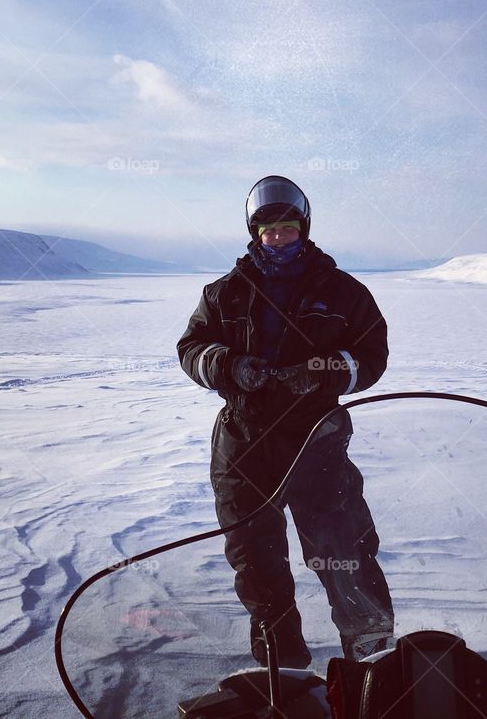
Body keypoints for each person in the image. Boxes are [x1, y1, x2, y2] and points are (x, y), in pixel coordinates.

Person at [176, 175, 394, 668]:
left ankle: (374, 661)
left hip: (316, 437)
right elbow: (190, 349)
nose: (277, 238)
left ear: (304, 229)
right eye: (268, 230)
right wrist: (229, 365)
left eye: (287, 229)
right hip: (244, 440)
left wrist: (321, 372)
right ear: (255, 232)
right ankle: (282, 665)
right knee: (256, 558)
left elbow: (373, 355)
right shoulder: (224, 293)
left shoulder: (343, 292)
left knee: (343, 548)